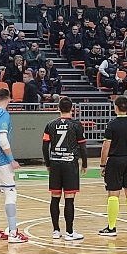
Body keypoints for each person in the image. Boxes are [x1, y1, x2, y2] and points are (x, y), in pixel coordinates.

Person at [0, 88, 27, 243]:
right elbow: (2, 139)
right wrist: (11, 159)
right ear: (9, 99)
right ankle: (13, 233)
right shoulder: (3, 114)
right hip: (1, 160)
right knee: (10, 192)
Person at [42, 97, 87, 241]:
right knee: (69, 198)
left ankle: (56, 231)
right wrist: (84, 164)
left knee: (55, 197)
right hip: (70, 164)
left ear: (58, 108)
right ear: (72, 108)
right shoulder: (76, 125)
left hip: (55, 164)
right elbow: (82, 146)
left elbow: (45, 146)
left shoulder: (50, 125)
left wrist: (48, 163)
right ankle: (69, 232)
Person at [98, 96, 127, 237]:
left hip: (115, 160)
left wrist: (103, 164)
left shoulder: (112, 125)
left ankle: (111, 228)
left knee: (113, 194)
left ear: (115, 107)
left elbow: (106, 147)